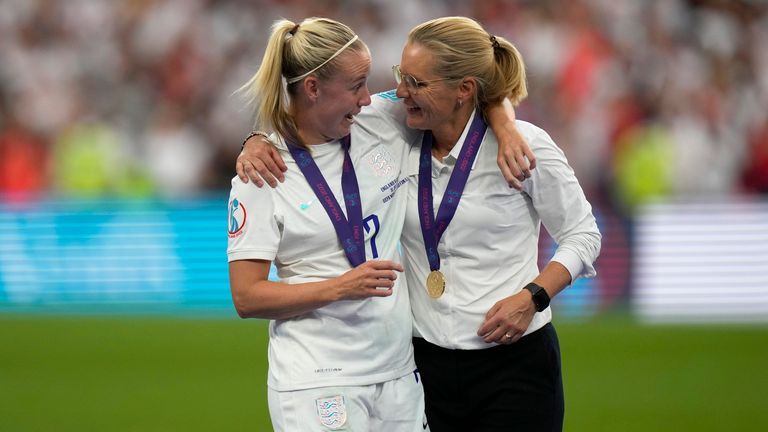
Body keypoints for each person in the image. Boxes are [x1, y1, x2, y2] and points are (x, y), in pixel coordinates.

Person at [238, 16, 601, 432]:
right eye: (401, 77)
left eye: (417, 82)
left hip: (514, 363)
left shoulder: (524, 147)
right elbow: (307, 112)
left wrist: (534, 296)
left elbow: (583, 234)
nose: (400, 92)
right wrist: (256, 139)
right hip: (426, 367)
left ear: (464, 90)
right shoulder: (397, 127)